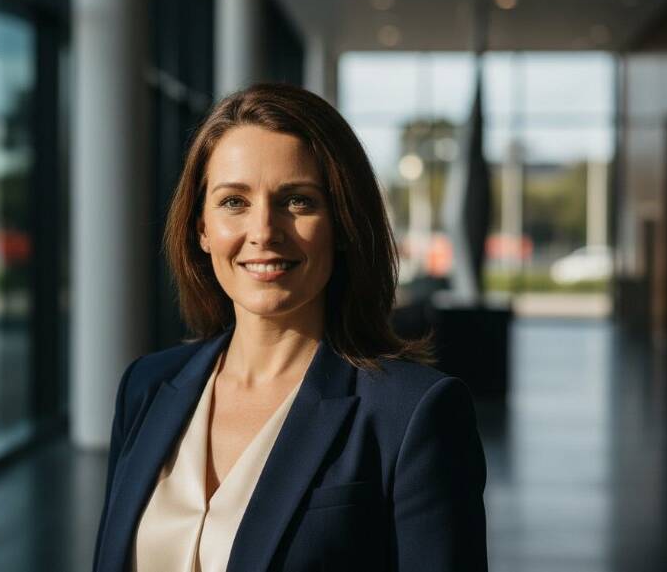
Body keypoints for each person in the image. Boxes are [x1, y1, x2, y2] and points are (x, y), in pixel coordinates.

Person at [92, 83, 488, 572]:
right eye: (234, 202)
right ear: (201, 228)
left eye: (297, 201)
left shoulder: (411, 415)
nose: (263, 231)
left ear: (342, 224)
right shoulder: (147, 388)